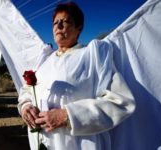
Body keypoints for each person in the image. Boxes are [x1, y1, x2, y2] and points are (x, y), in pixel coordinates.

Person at [18, 2, 135, 150]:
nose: (58, 26)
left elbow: (121, 102)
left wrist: (68, 116)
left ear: (78, 28)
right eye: (55, 23)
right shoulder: (44, 61)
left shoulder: (92, 56)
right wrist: (26, 107)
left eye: (65, 21)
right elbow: (26, 92)